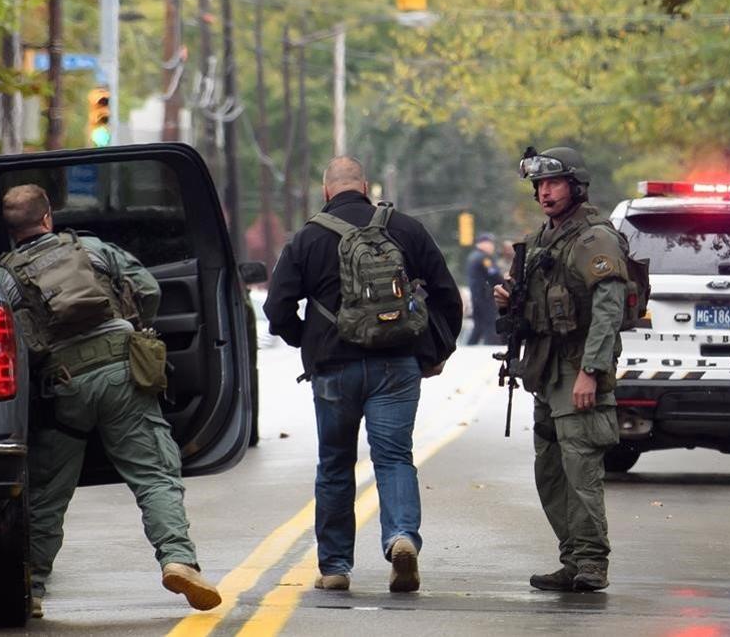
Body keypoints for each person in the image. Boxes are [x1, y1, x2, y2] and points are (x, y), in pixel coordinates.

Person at [0, 184, 220, 619]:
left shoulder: (6, 276)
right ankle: (178, 560)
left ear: (11, 229)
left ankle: (33, 588)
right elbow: (148, 288)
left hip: (64, 387)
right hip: (123, 374)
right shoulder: (92, 250)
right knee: (154, 475)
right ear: (47, 219)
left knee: (46, 495)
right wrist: (134, 328)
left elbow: (10, 340)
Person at [264, 157, 462, 593]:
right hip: (397, 364)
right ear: (366, 186)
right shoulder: (405, 228)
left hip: (333, 370)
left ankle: (335, 568)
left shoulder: (307, 239)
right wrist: (435, 352)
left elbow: (276, 309)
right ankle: (401, 537)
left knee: (335, 464)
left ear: (326, 191)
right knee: (394, 457)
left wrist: (308, 341)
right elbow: (447, 294)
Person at [493, 146, 627, 592]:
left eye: (553, 183)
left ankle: (591, 563)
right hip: (546, 372)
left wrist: (592, 370)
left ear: (575, 186)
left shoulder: (594, 239)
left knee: (580, 469)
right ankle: (572, 558)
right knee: (549, 471)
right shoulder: (543, 240)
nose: (545, 192)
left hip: (576, 369)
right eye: (540, 186)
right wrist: (511, 301)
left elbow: (608, 308)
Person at [464, 232, 503, 345]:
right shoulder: (484, 258)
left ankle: (469, 347)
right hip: (485, 296)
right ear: (482, 244)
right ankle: (491, 348)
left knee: (479, 325)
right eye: (490, 243)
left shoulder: (473, 256)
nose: (492, 246)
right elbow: (494, 274)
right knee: (490, 323)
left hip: (476, 296)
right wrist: (506, 283)